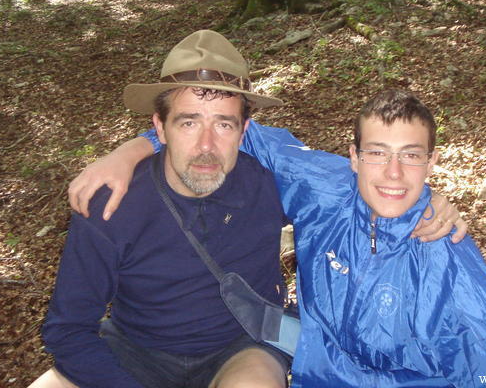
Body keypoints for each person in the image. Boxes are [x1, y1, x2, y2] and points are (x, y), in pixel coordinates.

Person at [29, 30, 461, 388]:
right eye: (188, 122)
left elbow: (358, 188)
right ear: (160, 127)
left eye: (223, 124)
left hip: (242, 345)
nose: (206, 145)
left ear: (245, 130)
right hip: (135, 349)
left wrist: (426, 199)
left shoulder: (269, 183)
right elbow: (68, 329)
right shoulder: (112, 201)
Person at [71, 88, 486, 386]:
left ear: (431, 162)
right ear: (353, 157)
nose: (392, 173)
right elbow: (226, 130)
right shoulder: (324, 189)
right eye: (377, 153)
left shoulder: (446, 257)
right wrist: (132, 150)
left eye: (410, 156)